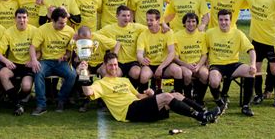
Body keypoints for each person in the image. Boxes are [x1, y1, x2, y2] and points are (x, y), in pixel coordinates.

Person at [80, 52, 220, 124]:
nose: (114, 67)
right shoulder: (101, 83)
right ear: (105, 65)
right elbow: (87, 91)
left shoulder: (124, 80)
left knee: (175, 94)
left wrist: (148, 93)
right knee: (166, 97)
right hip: (128, 112)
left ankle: (205, 111)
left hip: (139, 106)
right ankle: (201, 117)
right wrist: (83, 73)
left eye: (116, 64)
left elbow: (138, 97)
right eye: (110, 65)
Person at [206, 9, 257, 116]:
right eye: (221, 20)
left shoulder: (238, 33)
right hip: (216, 65)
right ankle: (218, 100)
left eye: (226, 20)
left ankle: (246, 106)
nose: (223, 22)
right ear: (217, 20)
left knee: (250, 72)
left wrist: (252, 64)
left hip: (233, 65)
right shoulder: (210, 33)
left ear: (231, 20)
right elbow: (203, 51)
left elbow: (251, 50)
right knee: (214, 81)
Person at [29, 8, 77, 115]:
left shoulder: (70, 31)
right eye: (60, 23)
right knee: (38, 71)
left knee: (72, 74)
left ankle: (61, 100)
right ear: (53, 21)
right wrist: (34, 60)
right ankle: (41, 105)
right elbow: (33, 47)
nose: (63, 25)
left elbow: (70, 51)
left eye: (65, 23)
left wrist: (65, 56)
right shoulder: (42, 29)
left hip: (61, 63)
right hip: (46, 61)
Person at [0, 8, 39, 115]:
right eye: (19, 17)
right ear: (15, 19)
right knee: (2, 73)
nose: (21, 20)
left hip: (28, 64)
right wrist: (7, 62)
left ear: (28, 19)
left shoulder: (34, 31)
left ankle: (16, 101)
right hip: (14, 64)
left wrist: (33, 60)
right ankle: (17, 103)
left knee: (26, 86)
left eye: (24, 17)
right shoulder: (9, 32)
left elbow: (40, 51)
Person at [98, 5, 147, 88]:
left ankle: (132, 91)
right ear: (117, 16)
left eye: (128, 16)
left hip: (132, 61)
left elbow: (151, 29)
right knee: (114, 74)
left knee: (136, 72)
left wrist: (163, 27)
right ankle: (112, 94)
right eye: (123, 15)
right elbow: (95, 35)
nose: (127, 18)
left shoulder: (136, 27)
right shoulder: (109, 29)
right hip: (117, 62)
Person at [73, 26, 119, 112]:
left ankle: (104, 100)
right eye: (82, 40)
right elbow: (75, 57)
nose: (85, 42)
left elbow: (117, 44)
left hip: (99, 64)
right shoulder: (75, 40)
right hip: (87, 63)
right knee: (82, 73)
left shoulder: (99, 38)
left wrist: (113, 58)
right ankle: (86, 99)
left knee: (106, 73)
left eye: (88, 39)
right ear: (78, 37)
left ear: (91, 36)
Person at [136, 9, 182, 93]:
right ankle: (143, 99)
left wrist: (161, 67)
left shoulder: (167, 32)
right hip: (150, 64)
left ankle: (177, 96)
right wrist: (142, 59)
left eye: (151, 20)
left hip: (164, 64)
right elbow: (139, 53)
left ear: (158, 21)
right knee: (144, 75)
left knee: (177, 70)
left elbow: (172, 53)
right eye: (147, 20)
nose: (148, 22)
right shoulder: (143, 35)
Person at [173, 13, 209, 106]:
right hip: (183, 65)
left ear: (197, 23)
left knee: (205, 74)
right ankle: (188, 99)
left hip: (198, 64)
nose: (191, 24)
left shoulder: (202, 35)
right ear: (184, 23)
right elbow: (175, 57)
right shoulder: (177, 36)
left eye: (193, 21)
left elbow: (204, 54)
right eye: (188, 21)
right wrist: (186, 65)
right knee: (187, 74)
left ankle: (199, 99)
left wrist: (198, 66)